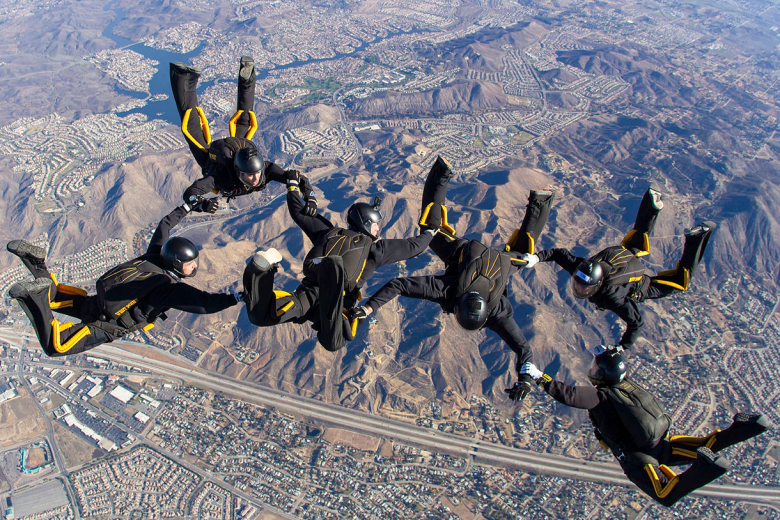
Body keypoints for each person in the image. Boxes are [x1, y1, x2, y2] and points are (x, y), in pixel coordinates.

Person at [345, 156, 555, 402]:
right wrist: (369, 308)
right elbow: (399, 285)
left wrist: (526, 381)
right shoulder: (450, 292)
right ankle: (441, 174)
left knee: (524, 255)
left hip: (492, 261)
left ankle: (539, 202)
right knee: (430, 232)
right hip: (469, 256)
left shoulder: (493, 310)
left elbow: (525, 351)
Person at [519, 350, 769, 507]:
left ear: (604, 375)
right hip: (660, 443)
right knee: (701, 445)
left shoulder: (601, 396)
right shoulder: (627, 387)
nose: (593, 373)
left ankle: (708, 468)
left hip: (637, 456)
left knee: (666, 493)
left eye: (597, 370)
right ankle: (747, 428)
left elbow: (570, 396)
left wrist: (541, 377)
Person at [7, 205, 241, 357]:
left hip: (95, 303)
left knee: (56, 298)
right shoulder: (167, 290)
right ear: (177, 264)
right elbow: (205, 304)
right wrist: (236, 298)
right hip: (105, 326)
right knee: (55, 345)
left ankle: (37, 264)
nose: (195, 267)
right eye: (191, 264)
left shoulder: (155, 254)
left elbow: (164, 226)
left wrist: (187, 207)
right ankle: (31, 297)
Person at [242, 169, 436, 352]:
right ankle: (333, 274)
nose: (378, 229)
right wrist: (430, 232)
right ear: (368, 224)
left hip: (306, 296)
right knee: (333, 342)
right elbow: (413, 247)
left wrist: (293, 186)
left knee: (259, 316)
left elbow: (298, 213)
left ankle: (259, 271)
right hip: (336, 303)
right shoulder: (376, 249)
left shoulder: (327, 233)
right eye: (377, 225)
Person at [522, 187, 716, 349]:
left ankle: (697, 238)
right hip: (622, 260)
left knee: (681, 282)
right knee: (635, 242)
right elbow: (558, 254)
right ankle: (651, 204)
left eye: (584, 288)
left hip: (641, 285)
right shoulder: (582, 269)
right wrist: (536, 258)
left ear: (598, 285)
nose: (580, 289)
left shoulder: (613, 297)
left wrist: (623, 348)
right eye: (580, 285)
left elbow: (636, 323)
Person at [170, 57, 318, 215]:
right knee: (194, 128)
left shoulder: (265, 170)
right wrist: (201, 204)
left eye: (257, 173)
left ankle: (242, 78)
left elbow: (295, 177)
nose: (255, 179)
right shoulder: (220, 176)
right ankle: (183, 77)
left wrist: (311, 197)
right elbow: (192, 192)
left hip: (239, 147)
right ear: (239, 172)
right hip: (219, 158)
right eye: (250, 175)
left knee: (242, 121)